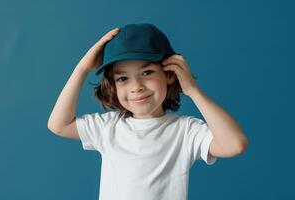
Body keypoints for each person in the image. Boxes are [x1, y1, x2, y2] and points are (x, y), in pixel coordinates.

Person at [47, 23, 248, 200]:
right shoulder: (108, 127)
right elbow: (59, 125)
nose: (136, 87)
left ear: (170, 73)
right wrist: (82, 67)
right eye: (123, 78)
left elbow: (234, 144)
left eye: (147, 72)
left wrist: (193, 91)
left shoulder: (185, 131)